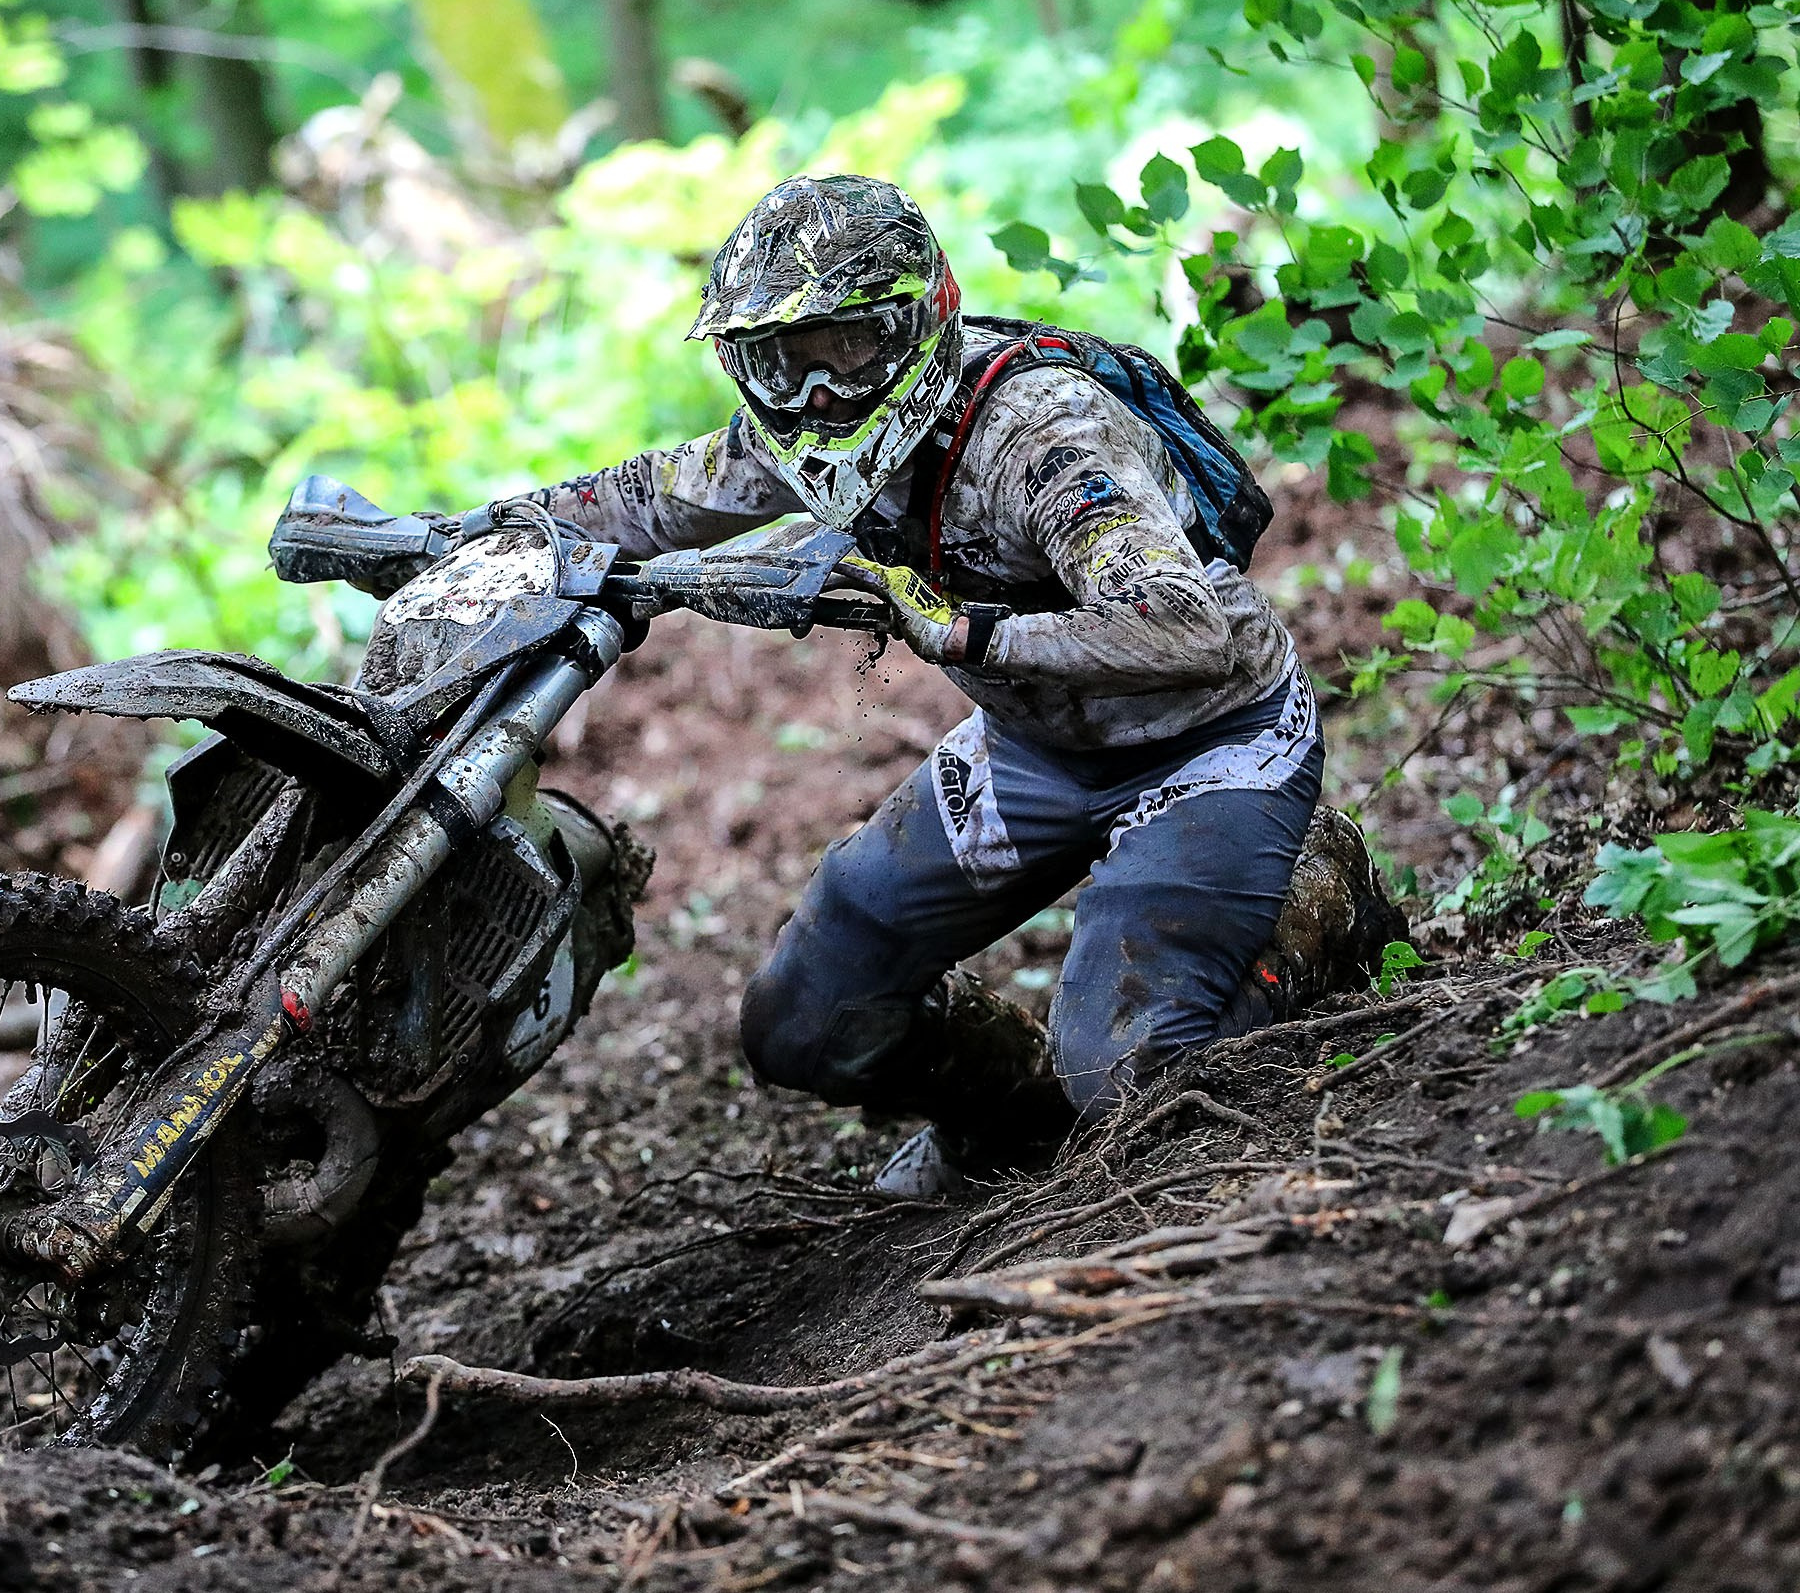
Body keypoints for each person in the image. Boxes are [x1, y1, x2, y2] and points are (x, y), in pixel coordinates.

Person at [497, 174, 1339, 1198]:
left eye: (846, 347)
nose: (818, 394)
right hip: (1035, 751)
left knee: (1125, 1073)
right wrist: (459, 540)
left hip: (1212, 744)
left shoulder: (1041, 434)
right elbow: (646, 499)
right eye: (780, 361)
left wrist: (967, 630)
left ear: (917, 321)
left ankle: (1315, 900)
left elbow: (1185, 626)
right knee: (804, 1019)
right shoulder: (798, 440)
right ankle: (1011, 1115)